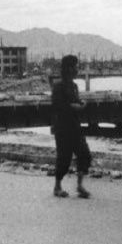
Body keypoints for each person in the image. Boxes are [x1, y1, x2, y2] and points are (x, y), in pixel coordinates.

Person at [51, 55, 91, 199]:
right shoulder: (58, 86)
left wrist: (81, 103)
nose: (77, 69)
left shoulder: (74, 86)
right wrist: (75, 107)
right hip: (62, 127)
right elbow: (58, 106)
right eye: (75, 66)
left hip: (74, 125)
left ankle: (80, 186)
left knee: (84, 154)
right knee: (64, 157)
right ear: (68, 68)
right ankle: (57, 187)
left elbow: (75, 101)